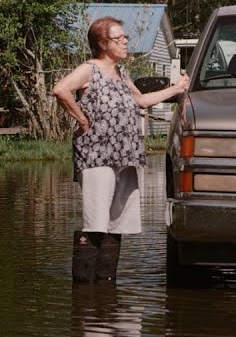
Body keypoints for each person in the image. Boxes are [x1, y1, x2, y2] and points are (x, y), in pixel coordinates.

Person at [52, 16, 189, 283]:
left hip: (125, 156)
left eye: (125, 37)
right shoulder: (90, 69)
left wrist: (177, 89)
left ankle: (105, 285)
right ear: (103, 43)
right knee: (96, 220)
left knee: (117, 222)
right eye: (119, 38)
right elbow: (60, 89)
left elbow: (141, 100)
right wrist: (81, 120)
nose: (126, 41)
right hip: (97, 155)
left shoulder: (121, 73)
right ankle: (84, 290)